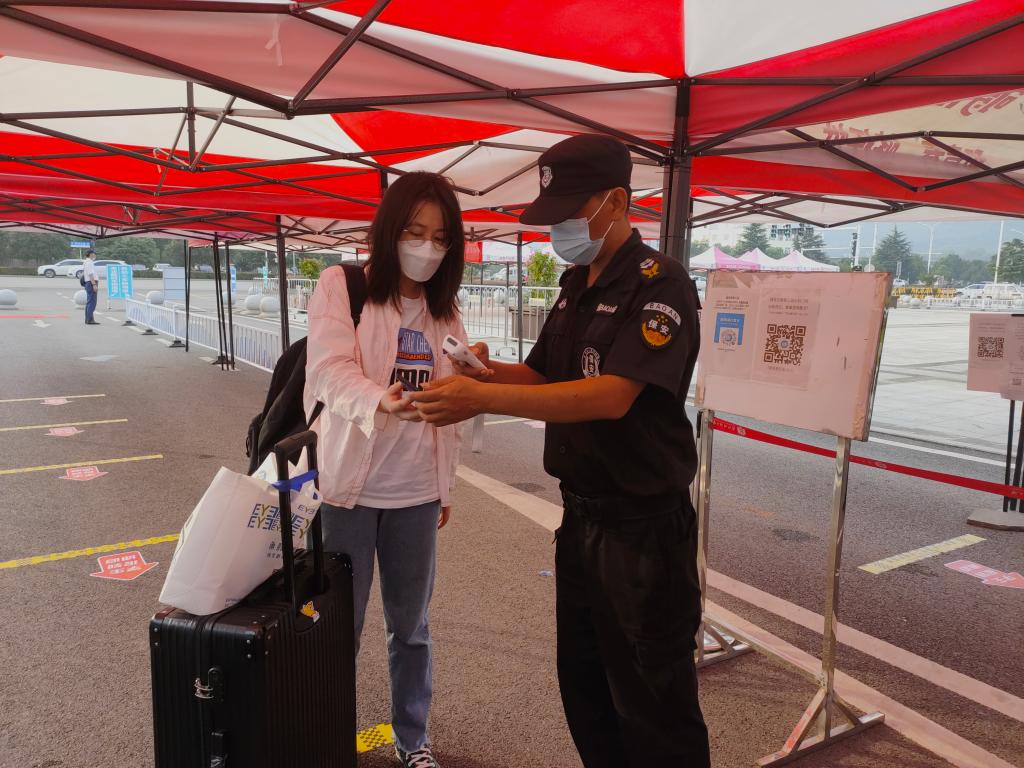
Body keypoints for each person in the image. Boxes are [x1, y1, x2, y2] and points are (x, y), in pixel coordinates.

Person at [408, 135, 710, 767]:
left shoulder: (661, 284)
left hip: (642, 532)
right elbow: (546, 373)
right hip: (581, 521)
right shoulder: (576, 283)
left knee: (653, 701)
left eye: (571, 212)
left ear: (616, 202)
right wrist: (485, 372)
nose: (560, 230)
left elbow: (613, 395)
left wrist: (483, 400)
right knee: (586, 686)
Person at [304, 172, 468, 768]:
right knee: (337, 629)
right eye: (415, 232)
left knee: (412, 627)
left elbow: (452, 402)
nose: (427, 247)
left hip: (416, 493)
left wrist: (443, 486)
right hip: (348, 488)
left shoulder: (444, 310)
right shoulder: (343, 286)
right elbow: (327, 370)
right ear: (390, 229)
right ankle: (325, 740)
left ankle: (412, 740)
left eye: (441, 238)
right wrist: (381, 399)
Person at [83, 251, 99, 325]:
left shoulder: (86, 262)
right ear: (91, 255)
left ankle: (88, 319)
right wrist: (94, 284)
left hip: (89, 283)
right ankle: (89, 319)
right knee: (92, 302)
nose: (95, 256)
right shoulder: (89, 262)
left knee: (89, 302)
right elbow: (90, 274)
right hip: (91, 283)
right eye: (94, 254)